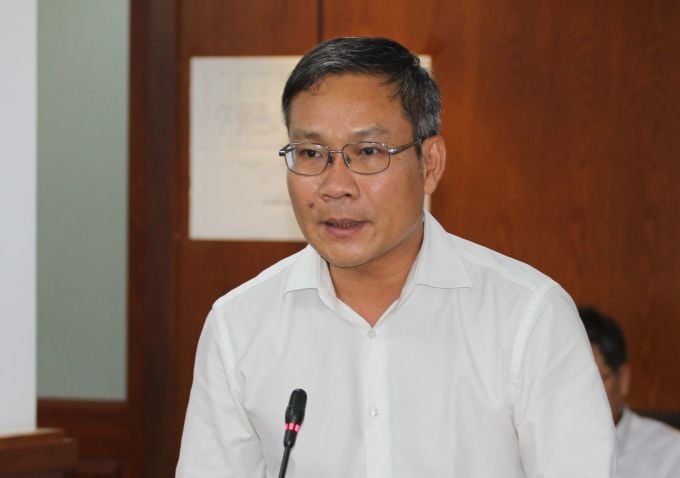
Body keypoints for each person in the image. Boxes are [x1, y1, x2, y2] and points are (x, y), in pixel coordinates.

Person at [176, 37, 616, 477]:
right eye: (310, 153)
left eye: (368, 153)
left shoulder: (528, 317)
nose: (335, 186)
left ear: (431, 163)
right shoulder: (239, 325)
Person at [579, 306, 680, 478]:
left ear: (623, 378)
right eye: (573, 384)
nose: (580, 394)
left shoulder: (671, 453)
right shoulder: (538, 445)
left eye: (594, 381)